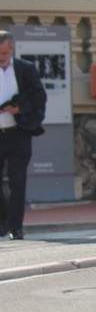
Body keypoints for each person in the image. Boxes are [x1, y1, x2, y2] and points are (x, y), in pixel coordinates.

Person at [0, 29, 47, 240]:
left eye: (4, 53)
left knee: (17, 183)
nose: (1, 58)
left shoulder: (24, 69)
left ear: (12, 50)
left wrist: (19, 109)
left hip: (18, 133)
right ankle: (2, 223)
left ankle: (15, 227)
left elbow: (39, 96)